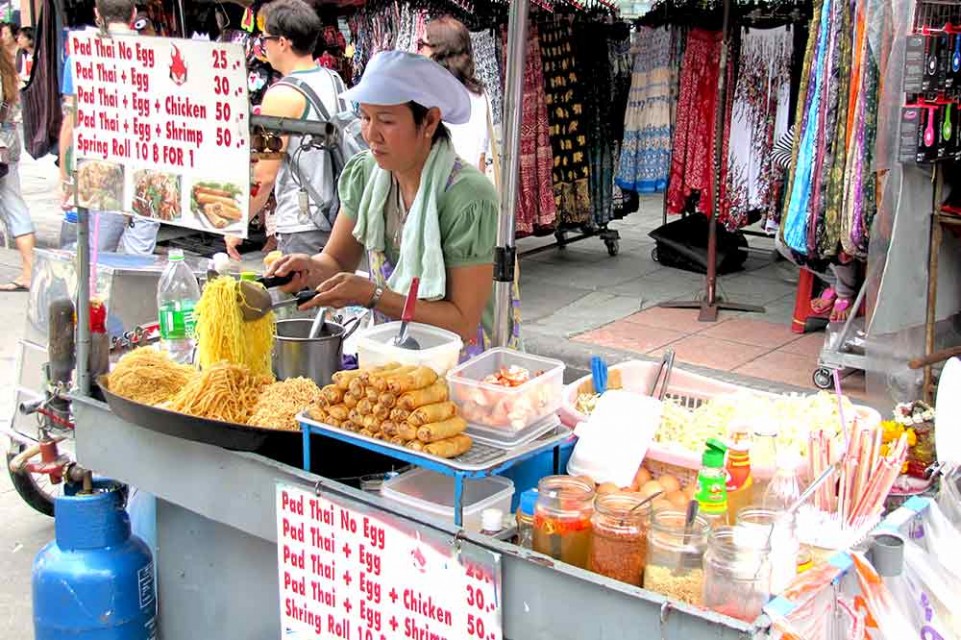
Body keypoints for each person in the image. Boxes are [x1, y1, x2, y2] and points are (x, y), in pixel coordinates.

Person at [267, 50, 517, 354]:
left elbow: (462, 322)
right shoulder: (365, 175)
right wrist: (308, 268)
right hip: (395, 355)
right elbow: (335, 261)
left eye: (386, 121)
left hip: (465, 365)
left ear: (429, 121)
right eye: (365, 117)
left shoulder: (467, 197)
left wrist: (373, 296)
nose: (372, 134)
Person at [225, 0, 344, 260]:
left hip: (304, 224)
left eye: (265, 38)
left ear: (283, 42)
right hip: (338, 218)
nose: (262, 45)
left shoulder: (280, 96)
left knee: (305, 299)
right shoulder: (334, 80)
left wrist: (238, 223)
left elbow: (264, 174)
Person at [58, 0, 160, 255]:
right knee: (140, 259)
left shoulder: (82, 55)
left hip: (102, 169)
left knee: (98, 259)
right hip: (148, 170)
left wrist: (65, 177)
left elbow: (71, 123)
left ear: (97, 15)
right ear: (134, 14)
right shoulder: (156, 53)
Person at [418, 17, 491, 175]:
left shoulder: (428, 97)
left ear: (438, 51)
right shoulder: (479, 94)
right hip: (469, 189)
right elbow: (480, 157)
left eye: (422, 45)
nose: (419, 51)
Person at [0, 42, 36, 291]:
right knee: (14, 205)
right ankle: (30, 271)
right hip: (7, 147)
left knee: (14, 205)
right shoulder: (7, 71)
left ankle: (29, 271)